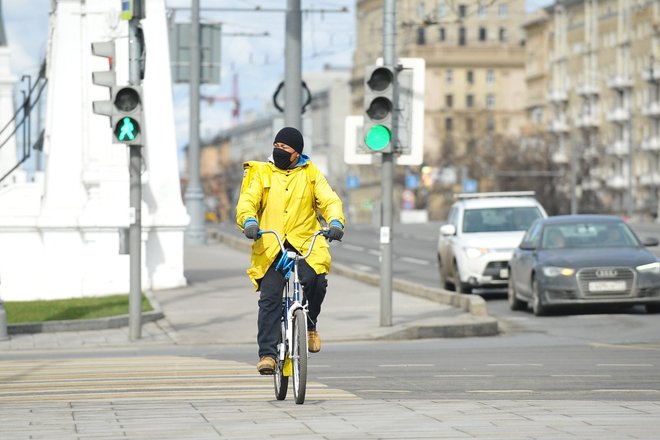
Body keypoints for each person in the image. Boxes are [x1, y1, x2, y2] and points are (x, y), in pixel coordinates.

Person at [236, 127, 345, 375]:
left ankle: (310, 326)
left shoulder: (311, 173)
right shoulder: (260, 172)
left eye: (285, 148)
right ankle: (267, 354)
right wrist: (249, 221)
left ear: (297, 154)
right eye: (276, 146)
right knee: (270, 298)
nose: (278, 151)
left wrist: (336, 222)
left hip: (306, 241)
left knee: (317, 281)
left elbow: (329, 200)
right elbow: (247, 201)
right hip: (273, 245)